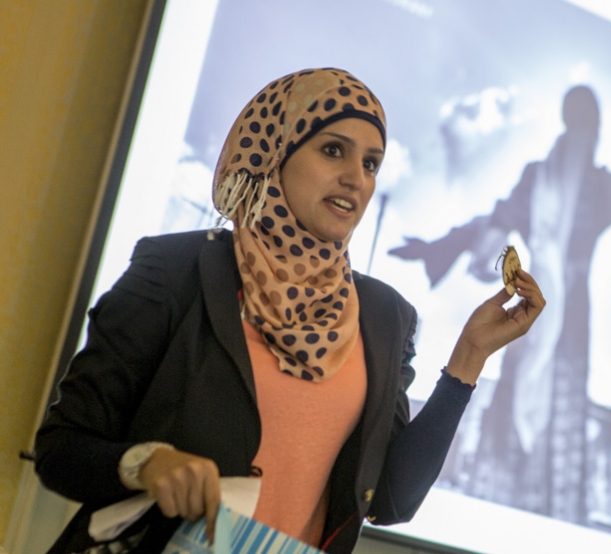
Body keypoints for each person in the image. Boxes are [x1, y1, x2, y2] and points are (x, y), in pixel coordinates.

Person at [33, 67, 545, 554]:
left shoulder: (384, 317)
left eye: (370, 164)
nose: (355, 178)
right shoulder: (176, 270)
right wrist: (147, 463)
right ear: (276, 150)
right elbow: (61, 448)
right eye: (333, 150)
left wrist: (469, 357)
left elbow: (390, 500)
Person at [390, 85, 611, 525]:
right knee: (515, 401)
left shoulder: (602, 187)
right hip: (531, 314)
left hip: (571, 319)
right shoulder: (537, 180)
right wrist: (436, 246)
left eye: (591, 127)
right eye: (583, 125)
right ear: (573, 125)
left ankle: (548, 514)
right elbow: (494, 220)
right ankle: (495, 506)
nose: (587, 136)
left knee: (562, 405)